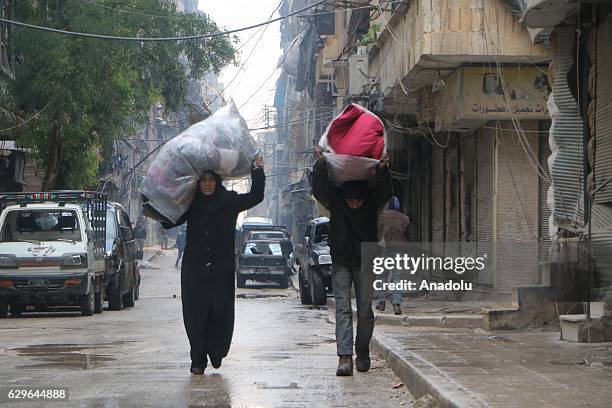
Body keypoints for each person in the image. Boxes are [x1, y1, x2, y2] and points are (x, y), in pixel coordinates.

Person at [175, 156, 265, 375]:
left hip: (221, 269)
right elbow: (170, 219)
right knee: (195, 315)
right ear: (198, 182)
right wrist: (155, 201)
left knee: (220, 312)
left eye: (211, 180)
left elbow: (255, 196)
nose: (207, 184)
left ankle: (216, 351)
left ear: (217, 181)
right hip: (194, 269)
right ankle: (197, 358)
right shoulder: (189, 202)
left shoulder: (229, 201)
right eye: (203, 179)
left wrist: (258, 170)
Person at [312, 147, 392, 376]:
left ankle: (362, 350)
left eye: (358, 201)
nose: (355, 204)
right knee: (343, 309)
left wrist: (384, 170)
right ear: (344, 198)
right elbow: (320, 189)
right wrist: (320, 165)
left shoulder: (372, 199)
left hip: (365, 261)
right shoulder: (336, 200)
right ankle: (344, 357)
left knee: (365, 310)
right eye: (351, 201)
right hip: (341, 261)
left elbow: (385, 191)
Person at [376, 196, 411, 315]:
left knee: (382, 277)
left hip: (384, 250)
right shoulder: (405, 218)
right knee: (397, 278)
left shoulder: (381, 216)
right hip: (399, 251)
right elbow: (408, 235)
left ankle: (381, 302)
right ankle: (396, 304)